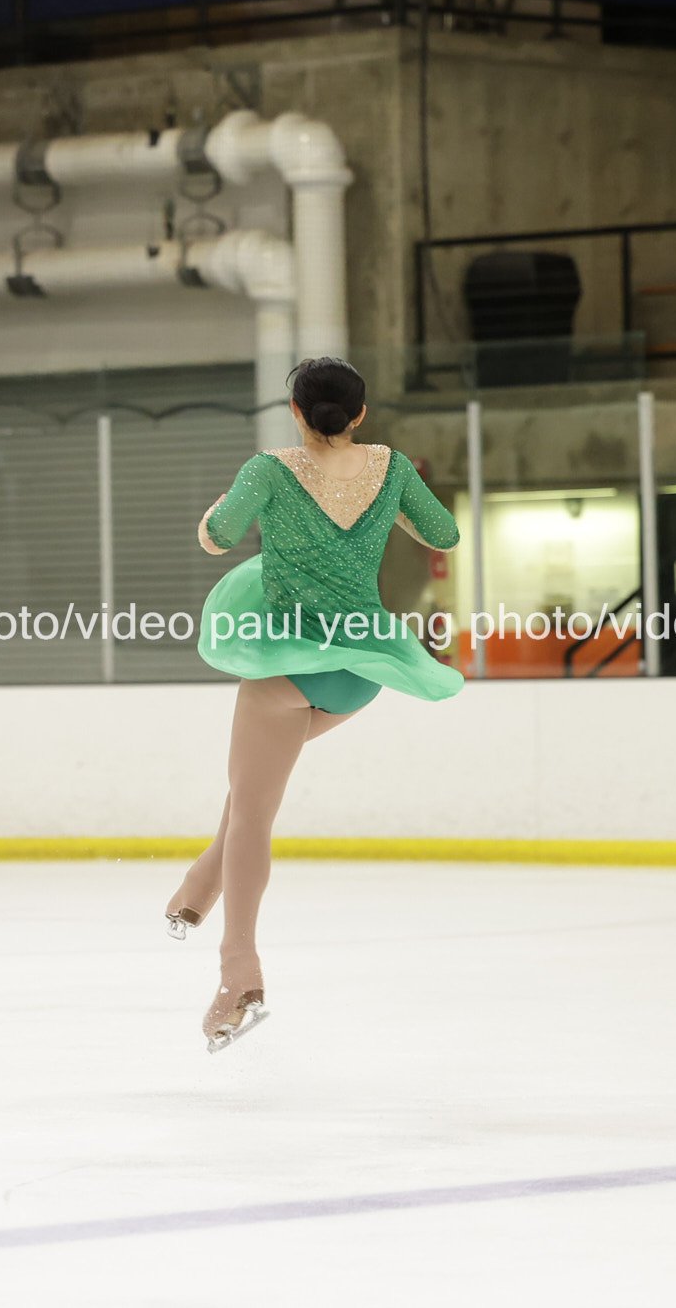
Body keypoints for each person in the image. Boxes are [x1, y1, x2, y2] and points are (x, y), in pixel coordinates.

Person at [167, 356, 464, 1052]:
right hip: (360, 670)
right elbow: (444, 535)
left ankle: (238, 971)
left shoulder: (269, 470)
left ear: (296, 411)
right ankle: (198, 888)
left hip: (288, 665)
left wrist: (228, 504)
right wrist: (388, 505)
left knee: (253, 810)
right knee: (253, 789)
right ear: (359, 414)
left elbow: (216, 536)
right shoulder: (390, 467)